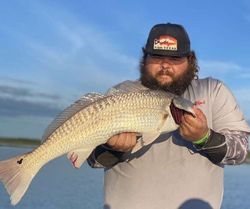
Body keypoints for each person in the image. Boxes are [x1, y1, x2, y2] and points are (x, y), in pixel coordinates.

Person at [87, 23, 250, 209]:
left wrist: (205, 137)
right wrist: (113, 148)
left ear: (190, 59)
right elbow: (93, 160)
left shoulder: (214, 91)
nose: (165, 65)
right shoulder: (120, 95)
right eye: (157, 56)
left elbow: (241, 151)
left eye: (175, 58)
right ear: (145, 58)